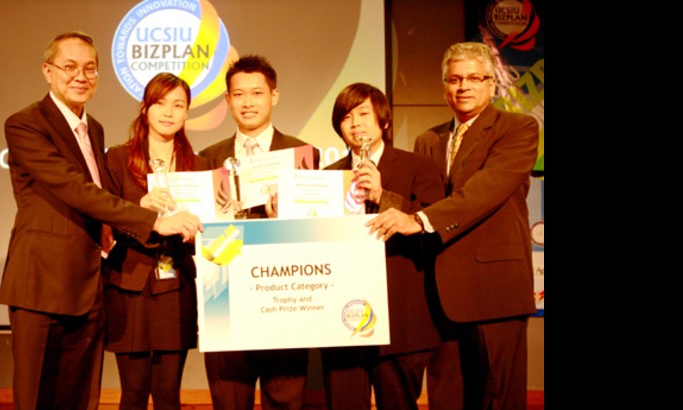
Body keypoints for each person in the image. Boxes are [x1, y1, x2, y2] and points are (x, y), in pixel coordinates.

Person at [0, 32, 203, 410]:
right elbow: (74, 189)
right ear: (48, 71)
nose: (81, 76)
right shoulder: (25, 124)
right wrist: (152, 219)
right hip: (43, 282)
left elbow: (99, 200)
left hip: (89, 286)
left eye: (90, 68)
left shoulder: (93, 130)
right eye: (70, 67)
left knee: (81, 397)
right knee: (38, 396)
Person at [365, 41, 539, 410]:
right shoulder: (429, 139)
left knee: (499, 398)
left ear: (492, 84)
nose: (464, 87)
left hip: (494, 289)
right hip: (439, 295)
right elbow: (423, 205)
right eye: (455, 79)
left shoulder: (518, 128)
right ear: (444, 86)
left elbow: (483, 192)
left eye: (475, 78)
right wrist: (385, 197)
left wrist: (417, 219)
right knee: (448, 399)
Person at [197, 54, 319, 410]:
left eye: (257, 93)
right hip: (225, 299)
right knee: (229, 401)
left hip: (283, 298)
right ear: (227, 100)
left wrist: (291, 213)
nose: (248, 103)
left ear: (274, 96)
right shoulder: (206, 158)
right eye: (238, 95)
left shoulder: (303, 154)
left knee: (285, 400)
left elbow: (317, 231)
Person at [319, 83, 444, 410]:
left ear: (384, 121)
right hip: (340, 317)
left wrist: (382, 195)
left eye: (363, 113)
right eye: (346, 116)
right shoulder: (327, 176)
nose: (355, 123)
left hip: (400, 317)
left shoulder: (419, 167)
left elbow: (435, 231)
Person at [102, 72, 210, 410]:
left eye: (178, 105)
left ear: (187, 112)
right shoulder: (117, 159)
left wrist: (199, 230)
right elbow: (105, 223)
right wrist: (140, 209)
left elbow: (212, 231)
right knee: (133, 393)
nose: (169, 112)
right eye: (161, 103)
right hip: (129, 284)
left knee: (167, 394)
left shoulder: (200, 166)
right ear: (145, 108)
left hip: (175, 285)